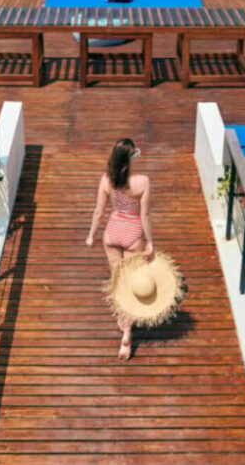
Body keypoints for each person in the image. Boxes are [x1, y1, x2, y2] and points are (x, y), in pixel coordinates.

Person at [85, 137, 154, 360]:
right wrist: (150, 241)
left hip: (112, 233)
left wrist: (91, 235)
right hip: (133, 235)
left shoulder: (107, 180)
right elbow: (143, 215)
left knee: (117, 279)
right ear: (130, 158)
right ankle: (127, 331)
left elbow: (99, 212)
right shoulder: (142, 181)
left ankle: (123, 323)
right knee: (130, 283)